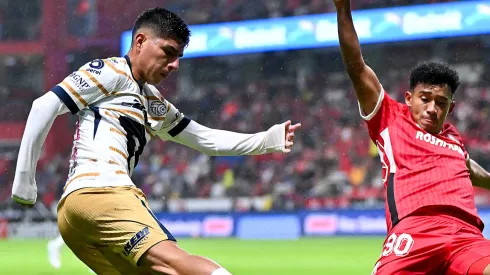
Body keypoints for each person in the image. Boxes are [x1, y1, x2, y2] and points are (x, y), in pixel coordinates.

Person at [12, 7, 301, 275]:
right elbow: (44, 106)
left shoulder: (154, 102)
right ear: (139, 42)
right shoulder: (110, 71)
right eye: (168, 52)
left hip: (75, 215)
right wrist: (24, 181)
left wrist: (264, 140)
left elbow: (205, 139)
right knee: (178, 265)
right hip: (103, 193)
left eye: (178, 58)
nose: (174, 65)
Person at [333, 0, 490, 274]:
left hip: (467, 235)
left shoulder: (454, 138)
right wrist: (343, 10)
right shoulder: (389, 117)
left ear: (450, 108)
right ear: (409, 98)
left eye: (441, 102)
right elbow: (356, 67)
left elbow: (466, 167)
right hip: (415, 231)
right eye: (425, 99)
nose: (432, 108)